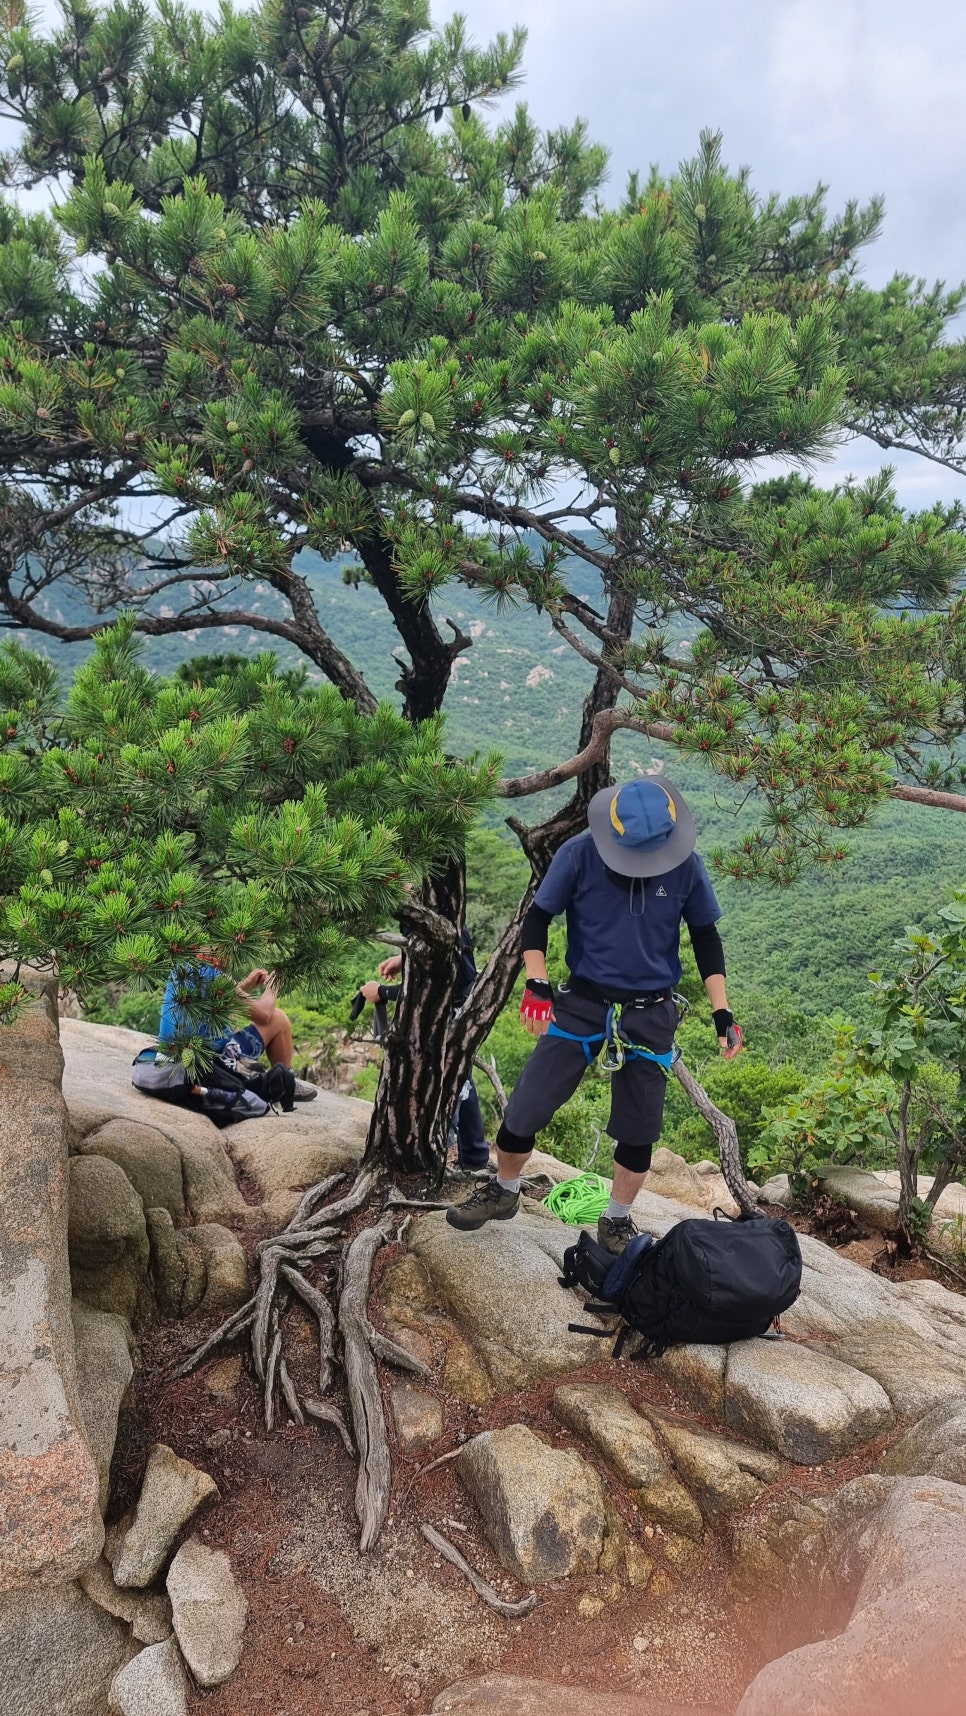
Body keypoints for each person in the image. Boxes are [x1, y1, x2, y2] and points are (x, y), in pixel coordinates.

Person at [446, 778, 743, 1252]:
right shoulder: (579, 854)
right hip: (584, 1000)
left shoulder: (685, 866)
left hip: (650, 1010)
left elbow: (707, 936)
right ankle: (504, 1190)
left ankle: (617, 1219)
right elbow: (538, 917)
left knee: (638, 1125)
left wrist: (722, 1012)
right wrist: (536, 982)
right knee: (528, 1104)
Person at [355, 927, 491, 1169]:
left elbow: (432, 986)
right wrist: (405, 958)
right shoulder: (446, 908)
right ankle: (475, 1155)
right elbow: (449, 960)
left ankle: (433, 1163)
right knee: (460, 1076)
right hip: (464, 1006)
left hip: (447, 1014)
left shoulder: (426, 910)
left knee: (444, 1081)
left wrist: (381, 992)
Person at [158, 958, 318, 1100]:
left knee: (232, 1022)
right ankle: (285, 1084)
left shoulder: (181, 968)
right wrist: (273, 986)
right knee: (279, 1019)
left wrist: (245, 986)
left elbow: (219, 1004)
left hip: (176, 1057)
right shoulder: (215, 975)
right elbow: (264, 1015)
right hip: (214, 1066)